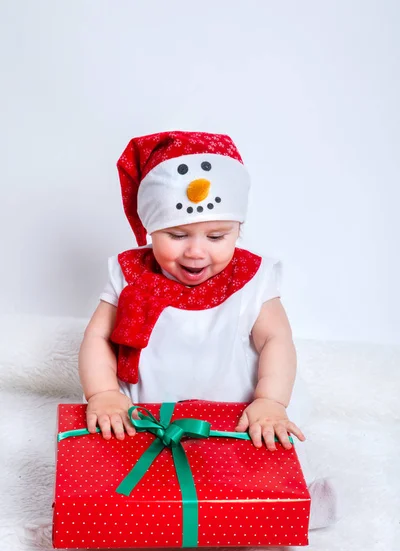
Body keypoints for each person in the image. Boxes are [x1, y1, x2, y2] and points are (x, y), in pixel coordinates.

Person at [78, 130, 336, 529]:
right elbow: (97, 337)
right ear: (150, 230)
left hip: (239, 411)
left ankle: (289, 501)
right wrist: (104, 394)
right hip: (150, 408)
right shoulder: (127, 273)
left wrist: (270, 400)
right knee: (129, 463)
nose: (196, 251)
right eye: (177, 235)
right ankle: (125, 512)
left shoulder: (254, 279)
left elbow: (275, 340)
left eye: (217, 236)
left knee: (265, 450)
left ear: (238, 229)